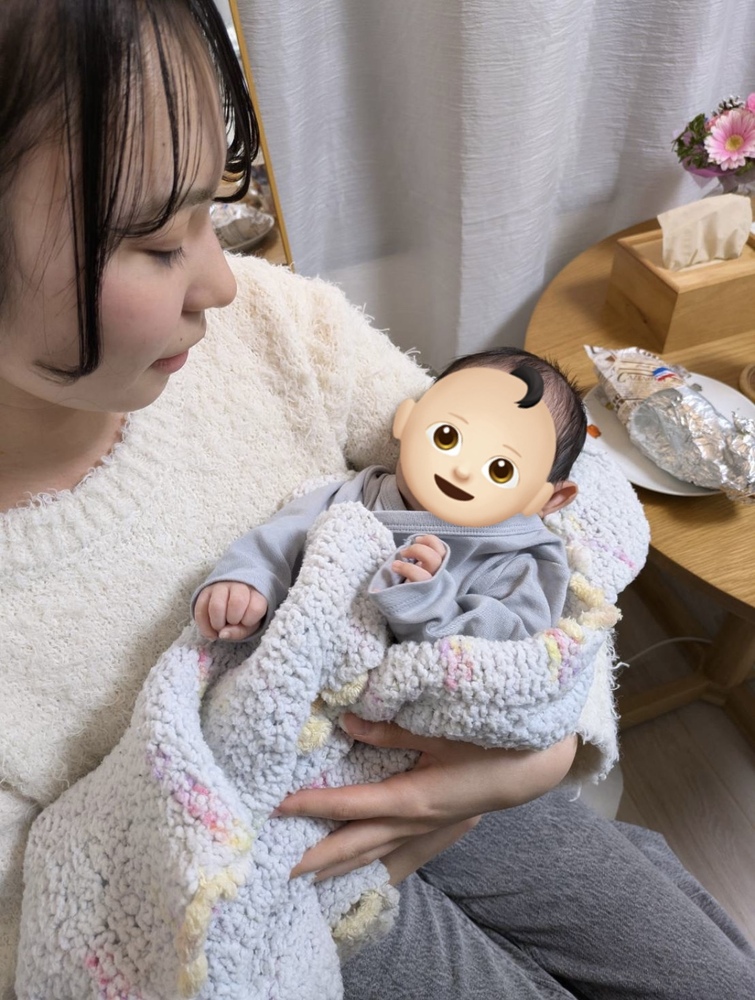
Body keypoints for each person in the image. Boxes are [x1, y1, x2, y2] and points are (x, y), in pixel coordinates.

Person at [0, 1, 753, 998]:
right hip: (270, 911)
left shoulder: (279, 333)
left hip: (458, 745)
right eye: (151, 238)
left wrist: (539, 746)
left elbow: (542, 498)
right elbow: (46, 932)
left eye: (212, 207)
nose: (222, 281)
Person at [193, 348, 586, 649]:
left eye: (500, 468)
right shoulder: (354, 496)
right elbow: (279, 539)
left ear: (550, 499)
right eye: (447, 436)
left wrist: (433, 605)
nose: (463, 470)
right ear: (408, 421)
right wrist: (247, 584)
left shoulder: (513, 560)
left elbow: (518, 651)